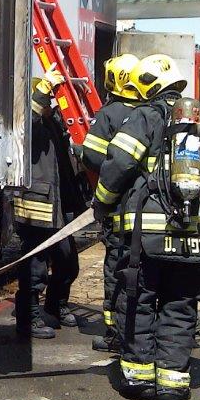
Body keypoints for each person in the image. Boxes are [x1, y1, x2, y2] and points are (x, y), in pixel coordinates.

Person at [94, 54, 200, 400]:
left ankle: (139, 377)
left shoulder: (145, 116)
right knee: (180, 304)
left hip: (146, 237)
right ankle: (173, 382)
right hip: (191, 236)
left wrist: (102, 203)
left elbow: (118, 166)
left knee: (139, 302)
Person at [13, 67, 84, 339]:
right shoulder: (26, 122)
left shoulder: (52, 121)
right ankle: (28, 317)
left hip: (58, 204)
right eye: (44, 98)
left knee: (68, 262)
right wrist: (42, 90)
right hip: (36, 206)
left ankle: (55, 306)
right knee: (34, 267)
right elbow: (26, 122)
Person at [82, 53, 140, 353]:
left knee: (116, 270)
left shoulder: (109, 113)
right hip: (147, 209)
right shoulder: (150, 113)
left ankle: (114, 332)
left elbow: (91, 156)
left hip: (117, 205)